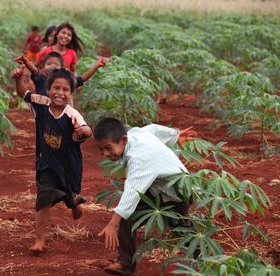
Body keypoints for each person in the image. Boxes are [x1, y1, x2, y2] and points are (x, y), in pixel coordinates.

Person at [93, 118, 197, 275]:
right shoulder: (136, 133)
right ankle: (125, 264)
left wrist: (112, 224)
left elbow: (131, 194)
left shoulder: (138, 159)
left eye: (108, 148)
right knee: (129, 218)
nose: (106, 154)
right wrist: (175, 135)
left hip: (176, 193)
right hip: (158, 187)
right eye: (102, 150)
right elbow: (153, 129)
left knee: (180, 227)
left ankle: (205, 259)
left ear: (123, 139)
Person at [11, 67, 93, 254]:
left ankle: (74, 203)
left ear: (71, 94)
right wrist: (18, 79)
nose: (60, 93)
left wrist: (83, 131)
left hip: (69, 167)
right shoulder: (41, 104)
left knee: (70, 195)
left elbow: (88, 130)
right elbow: (23, 93)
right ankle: (39, 239)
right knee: (44, 198)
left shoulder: (73, 114)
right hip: (47, 164)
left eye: (65, 90)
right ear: (48, 89)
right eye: (56, 88)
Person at [15, 52, 106, 96]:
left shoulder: (66, 80)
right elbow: (34, 70)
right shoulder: (41, 78)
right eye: (49, 64)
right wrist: (26, 61)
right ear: (42, 69)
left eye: (56, 64)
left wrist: (96, 66)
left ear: (62, 69)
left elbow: (83, 78)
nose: (52, 66)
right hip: (42, 113)